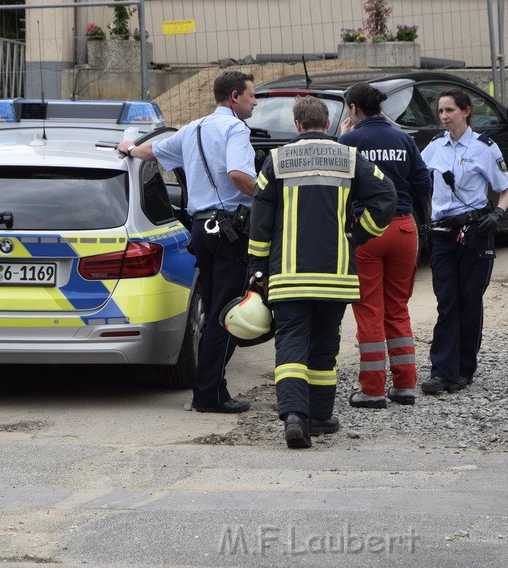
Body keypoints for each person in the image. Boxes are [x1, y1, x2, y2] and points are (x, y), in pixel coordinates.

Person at [248, 96, 396, 448]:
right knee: (325, 344)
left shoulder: (276, 160)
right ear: (326, 123)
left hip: (288, 276)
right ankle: (320, 416)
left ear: (297, 125)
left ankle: (294, 416)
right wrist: (359, 235)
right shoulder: (349, 158)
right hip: (335, 275)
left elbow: (260, 220)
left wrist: (256, 268)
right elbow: (387, 195)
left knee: (292, 343)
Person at [117, 70, 257, 414]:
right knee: (229, 315)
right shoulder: (235, 129)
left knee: (214, 311)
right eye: (252, 95)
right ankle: (208, 394)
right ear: (235, 97)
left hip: (200, 229)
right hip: (230, 231)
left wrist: (131, 148)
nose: (255, 102)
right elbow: (239, 174)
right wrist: (271, 197)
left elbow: (153, 151)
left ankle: (213, 389)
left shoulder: (192, 128)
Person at [338, 83, 432, 408]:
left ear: (352, 109)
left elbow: (338, 188)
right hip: (405, 228)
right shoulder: (403, 139)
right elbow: (423, 183)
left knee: (369, 310)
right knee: (397, 307)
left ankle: (373, 389)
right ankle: (405, 386)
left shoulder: (350, 141)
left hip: (367, 230)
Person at [419, 89, 508, 395]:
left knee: (469, 300)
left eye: (450, 110)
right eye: (441, 111)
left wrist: (498, 214)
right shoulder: (434, 148)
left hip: (475, 231)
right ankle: (442, 370)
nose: (444, 116)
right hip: (443, 234)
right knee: (447, 301)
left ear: (466, 111)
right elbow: (417, 179)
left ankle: (463, 368)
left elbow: (506, 188)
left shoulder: (485, 148)